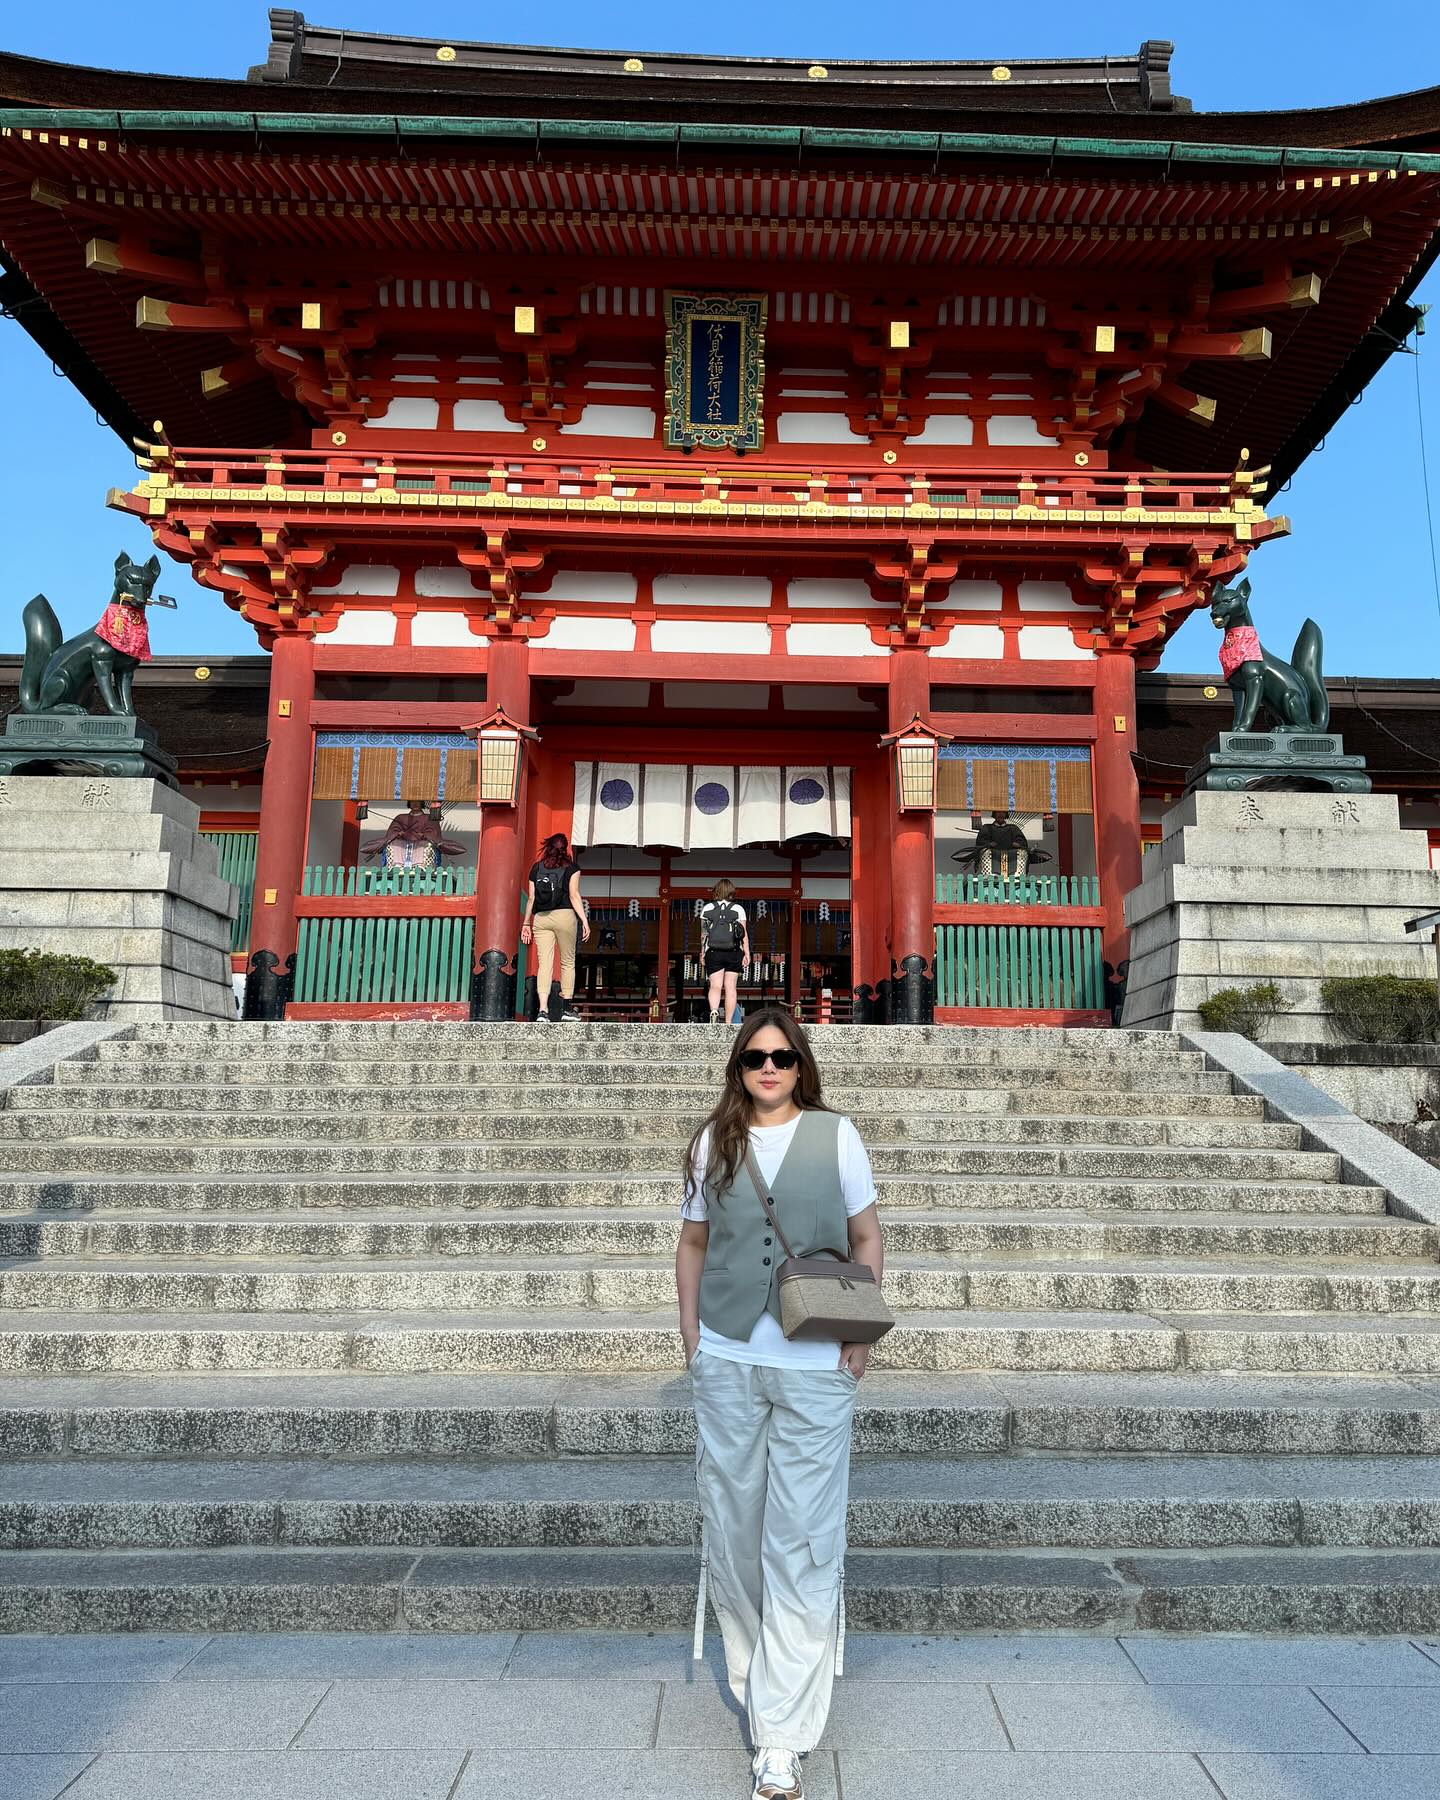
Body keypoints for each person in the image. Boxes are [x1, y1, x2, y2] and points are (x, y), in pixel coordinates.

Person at [676, 1007, 884, 1800]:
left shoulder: (839, 1136)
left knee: (802, 1540)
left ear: (802, 1066)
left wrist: (860, 1334)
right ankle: (756, 1678)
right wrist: (691, 1335)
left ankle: (781, 1737)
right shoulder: (713, 1142)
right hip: (728, 1357)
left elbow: (867, 1237)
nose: (769, 1068)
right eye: (755, 1057)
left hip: (814, 1363)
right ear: (738, 1067)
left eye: (783, 1057)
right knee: (734, 1533)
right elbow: (692, 1242)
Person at [521, 832, 590, 1023]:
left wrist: (526, 923)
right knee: (567, 962)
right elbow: (574, 895)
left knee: (545, 964)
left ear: (548, 847)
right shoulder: (572, 868)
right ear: (566, 848)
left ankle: (542, 1011)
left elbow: (531, 898)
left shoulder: (536, 868)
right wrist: (584, 920)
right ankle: (566, 1009)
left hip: (541, 918)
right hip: (565, 916)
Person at [701, 878, 750, 1026]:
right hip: (733, 951)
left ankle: (714, 1011)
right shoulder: (738, 909)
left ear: (716, 891)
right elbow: (743, 934)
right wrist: (747, 953)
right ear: (731, 892)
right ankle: (728, 1022)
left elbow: (704, 934)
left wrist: (702, 952)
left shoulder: (707, 908)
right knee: (730, 987)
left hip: (713, 951)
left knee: (715, 985)